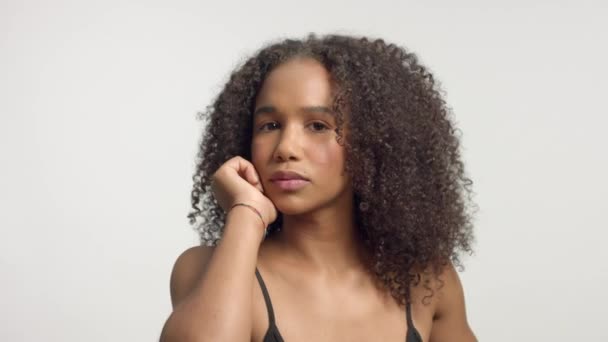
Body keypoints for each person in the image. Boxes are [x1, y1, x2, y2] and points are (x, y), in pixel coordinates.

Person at [160, 33, 477, 342]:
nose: (286, 148)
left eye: (317, 126)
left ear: (373, 143)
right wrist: (246, 211)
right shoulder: (204, 269)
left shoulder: (427, 282)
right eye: (270, 125)